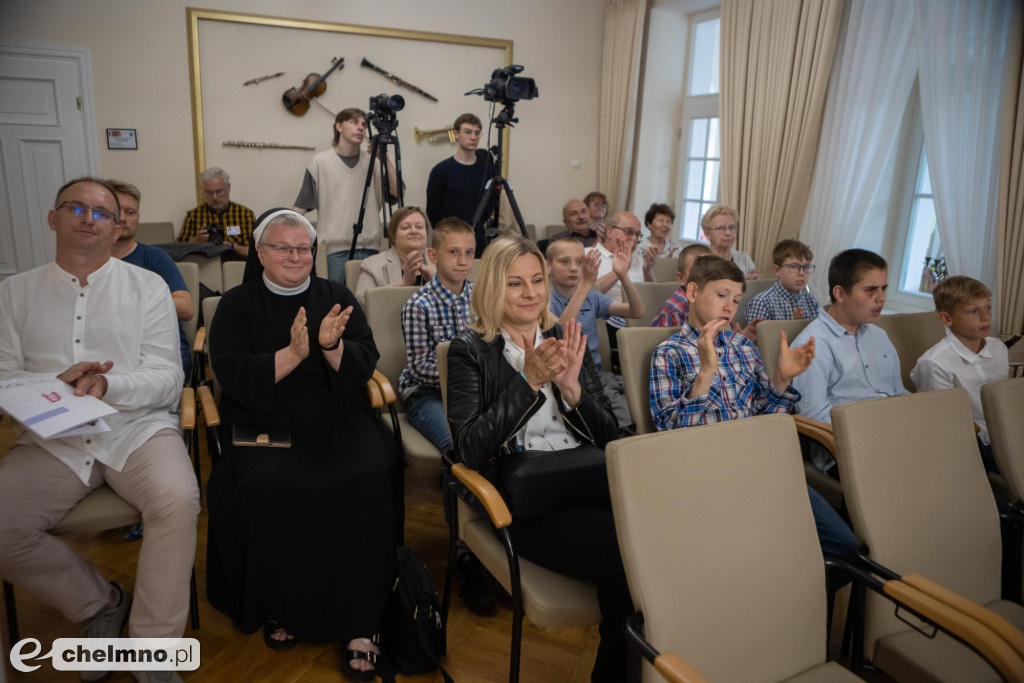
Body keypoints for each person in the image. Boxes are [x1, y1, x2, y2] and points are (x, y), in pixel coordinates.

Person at [0, 177, 199, 683]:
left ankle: (152, 650)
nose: (89, 219)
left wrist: (109, 385)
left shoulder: (147, 286)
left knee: (177, 500)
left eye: (102, 213)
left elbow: (167, 374)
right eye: (76, 208)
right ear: (53, 218)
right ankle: (100, 602)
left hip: (134, 428)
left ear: (117, 228)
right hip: (53, 437)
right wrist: (56, 384)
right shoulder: (14, 292)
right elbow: (4, 376)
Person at [206, 209, 395, 680]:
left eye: (304, 248)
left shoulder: (336, 295)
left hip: (337, 418)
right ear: (261, 253)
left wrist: (331, 349)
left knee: (370, 471)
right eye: (283, 248)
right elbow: (230, 375)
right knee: (268, 484)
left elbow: (365, 359)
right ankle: (281, 604)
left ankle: (361, 621)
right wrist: (293, 355)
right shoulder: (236, 304)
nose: (295, 256)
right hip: (263, 422)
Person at [446, 236, 633, 683]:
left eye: (536, 280)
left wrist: (573, 391)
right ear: (493, 289)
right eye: (515, 283)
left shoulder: (566, 338)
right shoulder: (469, 350)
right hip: (523, 500)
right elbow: (469, 450)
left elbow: (609, 437)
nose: (531, 293)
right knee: (633, 559)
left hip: (586, 481)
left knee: (652, 545)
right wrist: (527, 382)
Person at [648, 255, 858, 582]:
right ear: (691, 292)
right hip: (706, 474)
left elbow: (766, 418)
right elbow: (671, 433)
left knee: (845, 548)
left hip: (760, 465)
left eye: (736, 299)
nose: (730, 306)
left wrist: (781, 380)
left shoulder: (743, 347)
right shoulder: (669, 352)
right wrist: (706, 372)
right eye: (721, 295)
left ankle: (797, 600)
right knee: (766, 554)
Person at [792, 249, 908, 475]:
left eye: (883, 288)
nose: (881, 298)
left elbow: (898, 393)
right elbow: (813, 417)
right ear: (840, 294)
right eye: (870, 290)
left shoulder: (879, 336)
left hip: (894, 437)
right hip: (847, 449)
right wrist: (877, 433)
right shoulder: (812, 344)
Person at [293, 108, 401, 284]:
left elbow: (398, 193)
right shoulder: (320, 162)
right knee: (338, 303)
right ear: (339, 126)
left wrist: (385, 159)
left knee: (369, 304)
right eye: (354, 122)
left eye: (364, 124)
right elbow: (299, 208)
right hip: (334, 250)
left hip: (370, 247)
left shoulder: (372, 161)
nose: (361, 128)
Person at [911, 276, 1009, 469]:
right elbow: (942, 423)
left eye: (988, 307)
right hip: (974, 445)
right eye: (974, 311)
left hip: (1007, 435)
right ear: (946, 318)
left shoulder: (998, 349)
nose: (985, 317)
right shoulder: (934, 363)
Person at [398, 218, 476, 456]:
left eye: (469, 252)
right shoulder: (418, 306)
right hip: (427, 394)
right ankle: (458, 492)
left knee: (500, 435)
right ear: (433, 256)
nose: (463, 261)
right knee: (459, 446)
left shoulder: (480, 297)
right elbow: (420, 367)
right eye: (453, 252)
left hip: (472, 389)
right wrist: (465, 374)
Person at [547, 237, 642, 429]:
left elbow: (637, 312)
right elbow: (562, 331)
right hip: (569, 377)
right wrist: (586, 284)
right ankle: (625, 438)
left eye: (580, 262)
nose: (574, 268)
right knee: (622, 412)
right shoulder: (545, 297)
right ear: (548, 266)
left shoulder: (591, 296)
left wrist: (622, 275)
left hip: (597, 372)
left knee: (641, 391)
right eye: (564, 262)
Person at [108, 179, 195, 378]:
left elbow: (186, 308)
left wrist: (126, 306)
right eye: (117, 211)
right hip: (110, 349)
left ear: (138, 218)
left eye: (130, 212)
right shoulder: (90, 261)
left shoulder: (155, 258)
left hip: (157, 352)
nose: (123, 218)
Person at [425, 113, 497, 256]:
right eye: (468, 132)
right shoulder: (441, 170)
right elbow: (432, 209)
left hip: (478, 240)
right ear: (456, 134)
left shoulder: (488, 170)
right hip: (448, 240)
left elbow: (492, 203)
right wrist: (445, 234)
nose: (473, 137)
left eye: (477, 133)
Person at [587, 211, 655, 328]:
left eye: (637, 234)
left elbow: (652, 296)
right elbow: (585, 295)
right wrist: (618, 272)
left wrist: (647, 271)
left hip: (641, 318)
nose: (633, 238)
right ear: (609, 231)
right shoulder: (589, 254)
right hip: (608, 322)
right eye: (628, 232)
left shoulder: (638, 258)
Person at [355, 205, 435, 298]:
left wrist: (437, 284)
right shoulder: (371, 265)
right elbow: (361, 302)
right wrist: (403, 284)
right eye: (405, 227)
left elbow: (456, 297)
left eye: (419, 227)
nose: (414, 231)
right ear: (393, 235)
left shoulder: (442, 261)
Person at [177, 167, 254, 259]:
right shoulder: (193, 216)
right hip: (204, 266)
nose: (214, 197)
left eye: (219, 191)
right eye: (209, 193)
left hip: (235, 266)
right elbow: (178, 251)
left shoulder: (244, 215)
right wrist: (196, 240)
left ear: (228, 187)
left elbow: (254, 252)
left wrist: (231, 246)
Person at [745, 239, 821, 322]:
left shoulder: (810, 301)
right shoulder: (762, 303)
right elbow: (759, 335)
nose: (802, 273)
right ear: (777, 270)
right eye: (794, 267)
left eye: (806, 267)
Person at [650, 243, 711, 327]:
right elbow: (674, 339)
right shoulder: (676, 310)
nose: (704, 276)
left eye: (709, 271)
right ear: (682, 278)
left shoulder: (711, 297)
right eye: (696, 272)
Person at [700, 204, 757, 278]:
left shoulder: (744, 259)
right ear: (707, 234)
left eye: (732, 227)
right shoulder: (700, 261)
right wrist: (741, 281)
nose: (728, 233)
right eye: (721, 228)